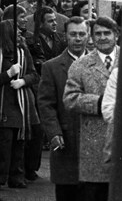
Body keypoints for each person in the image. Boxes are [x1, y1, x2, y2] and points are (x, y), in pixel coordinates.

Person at [63, 16, 119, 201]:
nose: (102, 38)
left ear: (116, 35)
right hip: (94, 144)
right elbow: (70, 98)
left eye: (107, 33)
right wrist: (100, 102)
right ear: (92, 38)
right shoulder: (80, 65)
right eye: (98, 34)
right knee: (95, 194)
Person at [38, 16, 89, 200]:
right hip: (66, 143)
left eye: (81, 34)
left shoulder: (101, 65)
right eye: (73, 34)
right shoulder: (51, 67)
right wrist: (54, 133)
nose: (77, 38)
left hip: (95, 148)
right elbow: (45, 104)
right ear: (65, 36)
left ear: (88, 36)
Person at [0, 19, 40, 189]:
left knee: (19, 141)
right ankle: (2, 176)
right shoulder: (1, 54)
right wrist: (8, 73)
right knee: (5, 141)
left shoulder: (23, 51)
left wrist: (23, 81)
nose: (19, 32)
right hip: (4, 102)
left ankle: (17, 176)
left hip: (21, 102)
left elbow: (34, 74)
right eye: (15, 29)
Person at [27, 6, 67, 74]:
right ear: (40, 24)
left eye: (55, 20)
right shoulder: (31, 42)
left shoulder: (62, 39)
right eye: (50, 21)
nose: (55, 23)